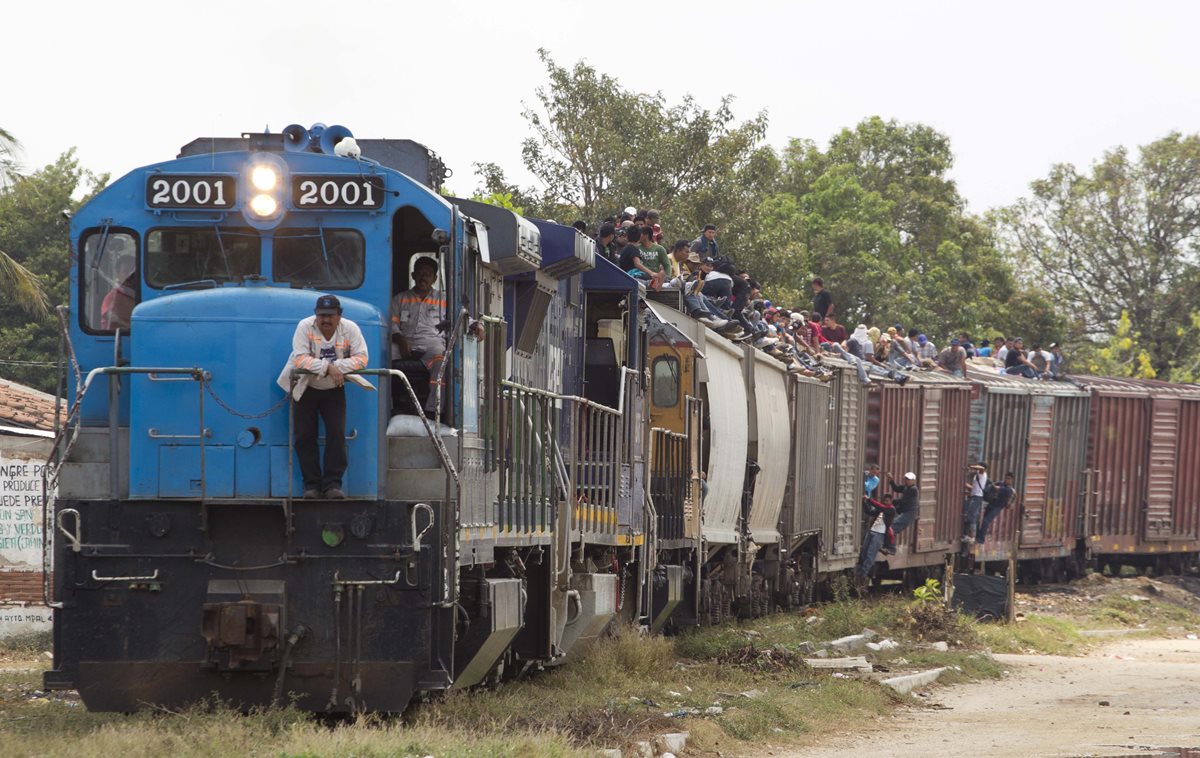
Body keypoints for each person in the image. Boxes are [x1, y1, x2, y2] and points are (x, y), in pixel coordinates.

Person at [280, 294, 369, 500]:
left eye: (330, 315)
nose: (325, 320)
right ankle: (310, 486)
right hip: (305, 386)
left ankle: (332, 485)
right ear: (315, 315)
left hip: (333, 388)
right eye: (321, 316)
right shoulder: (304, 326)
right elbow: (300, 358)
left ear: (339, 316)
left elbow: (362, 358)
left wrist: (337, 368)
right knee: (304, 436)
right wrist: (327, 367)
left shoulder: (351, 329)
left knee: (336, 435)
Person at [391, 256, 449, 414]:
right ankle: (389, 405)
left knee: (441, 360)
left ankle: (432, 410)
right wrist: (401, 340)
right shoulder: (399, 299)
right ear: (413, 276)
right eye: (420, 273)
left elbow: (462, 317)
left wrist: (476, 325)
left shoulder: (445, 300)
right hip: (403, 341)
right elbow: (392, 324)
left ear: (435, 278)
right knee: (382, 356)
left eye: (428, 274)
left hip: (432, 344)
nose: (423, 277)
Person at [856, 491, 896, 579]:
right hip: (872, 532)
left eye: (887, 501)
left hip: (879, 534)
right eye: (884, 500)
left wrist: (869, 499)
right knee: (864, 551)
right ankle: (860, 570)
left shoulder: (891, 509)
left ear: (890, 502)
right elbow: (870, 512)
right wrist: (865, 503)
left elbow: (881, 507)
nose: (885, 502)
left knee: (870, 554)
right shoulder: (880, 509)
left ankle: (862, 574)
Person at [976, 472, 1017, 543]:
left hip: (997, 507)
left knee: (986, 521)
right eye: (1006, 478)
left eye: (1009, 479)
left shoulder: (1008, 490)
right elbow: (993, 484)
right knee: (983, 521)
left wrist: (991, 484)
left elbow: (997, 488)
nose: (1007, 480)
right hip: (991, 504)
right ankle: (978, 536)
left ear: (1012, 480)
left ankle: (981, 540)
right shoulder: (1001, 483)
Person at [962, 462, 989, 545]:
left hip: (977, 497)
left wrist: (970, 466)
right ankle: (967, 535)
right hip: (974, 496)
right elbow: (974, 488)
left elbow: (980, 468)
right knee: (968, 515)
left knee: (972, 516)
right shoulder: (977, 475)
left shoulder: (983, 474)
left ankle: (972, 537)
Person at [888, 472, 920, 540]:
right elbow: (896, 488)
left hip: (909, 513)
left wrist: (892, 502)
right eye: (906, 479)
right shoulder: (906, 487)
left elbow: (904, 500)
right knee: (891, 527)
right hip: (903, 512)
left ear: (913, 480)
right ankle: (889, 546)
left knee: (893, 527)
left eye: (909, 479)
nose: (907, 481)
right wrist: (891, 480)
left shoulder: (913, 489)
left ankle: (890, 547)